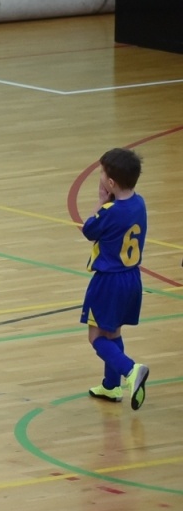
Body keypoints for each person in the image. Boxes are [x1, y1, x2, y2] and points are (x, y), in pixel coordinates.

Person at [80, 148, 148, 409]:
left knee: (96, 336)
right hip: (132, 279)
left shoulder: (109, 211)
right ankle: (111, 386)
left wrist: (100, 201)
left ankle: (131, 370)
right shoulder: (139, 203)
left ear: (110, 183)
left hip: (108, 281)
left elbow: (89, 230)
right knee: (113, 331)